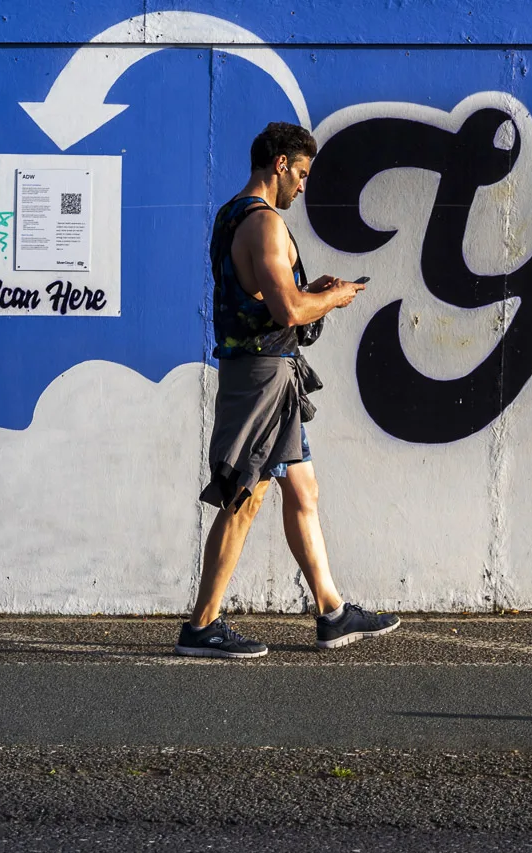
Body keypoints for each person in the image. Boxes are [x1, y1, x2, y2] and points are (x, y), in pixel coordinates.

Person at [175, 122, 400, 658]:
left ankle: (332, 612)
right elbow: (290, 311)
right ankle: (202, 626)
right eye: (299, 174)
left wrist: (308, 290)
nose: (302, 186)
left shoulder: (230, 214)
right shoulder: (265, 224)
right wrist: (335, 296)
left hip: (272, 371)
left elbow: (269, 294)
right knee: (245, 498)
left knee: (303, 491)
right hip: (260, 376)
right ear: (279, 165)